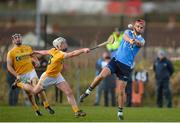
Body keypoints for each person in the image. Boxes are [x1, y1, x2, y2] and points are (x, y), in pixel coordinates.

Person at [80, 19, 146, 120]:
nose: (140, 28)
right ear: (134, 26)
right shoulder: (128, 32)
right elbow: (125, 37)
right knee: (101, 76)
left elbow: (140, 44)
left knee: (121, 91)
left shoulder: (142, 40)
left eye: (141, 27)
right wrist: (130, 40)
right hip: (115, 61)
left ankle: (120, 111)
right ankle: (87, 92)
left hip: (126, 66)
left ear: (143, 29)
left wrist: (135, 41)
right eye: (138, 26)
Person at [12, 37, 89, 117]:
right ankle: (19, 83)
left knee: (69, 92)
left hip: (57, 75)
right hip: (47, 77)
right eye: (63, 44)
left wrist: (35, 51)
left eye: (65, 43)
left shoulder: (53, 50)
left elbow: (45, 52)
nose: (65, 44)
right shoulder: (60, 54)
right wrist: (83, 50)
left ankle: (76, 111)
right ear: (58, 46)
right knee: (35, 91)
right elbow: (72, 54)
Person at [7, 33, 54, 116]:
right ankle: (36, 109)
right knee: (30, 93)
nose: (18, 39)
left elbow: (33, 56)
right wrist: (16, 75)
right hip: (21, 76)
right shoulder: (11, 53)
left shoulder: (27, 47)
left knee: (37, 86)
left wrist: (37, 61)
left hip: (31, 71)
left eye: (19, 37)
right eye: (16, 38)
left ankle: (46, 105)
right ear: (13, 41)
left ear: (21, 39)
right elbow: (9, 67)